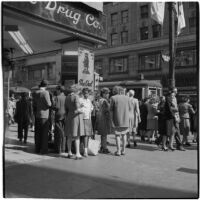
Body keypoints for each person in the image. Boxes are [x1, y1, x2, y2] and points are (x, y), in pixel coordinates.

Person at [110, 86, 131, 156]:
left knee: (117, 135)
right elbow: (130, 108)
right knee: (124, 135)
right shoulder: (127, 98)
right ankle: (123, 150)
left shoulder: (113, 98)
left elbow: (111, 110)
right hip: (126, 119)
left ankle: (118, 151)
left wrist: (111, 120)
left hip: (117, 120)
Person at [65, 84, 84, 160]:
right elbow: (77, 109)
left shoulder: (67, 96)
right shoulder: (76, 96)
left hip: (69, 116)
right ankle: (77, 153)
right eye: (80, 90)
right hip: (76, 117)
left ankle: (69, 153)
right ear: (77, 90)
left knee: (69, 136)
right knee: (77, 136)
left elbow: (66, 108)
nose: (80, 92)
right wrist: (81, 109)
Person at [33, 80, 52, 154]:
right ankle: (44, 149)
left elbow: (34, 104)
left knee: (37, 133)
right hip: (44, 115)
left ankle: (37, 148)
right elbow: (49, 104)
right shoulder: (46, 93)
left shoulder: (35, 93)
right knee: (44, 133)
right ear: (46, 86)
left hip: (37, 114)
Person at [96, 87, 112, 154]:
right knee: (104, 134)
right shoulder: (104, 101)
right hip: (104, 118)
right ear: (104, 94)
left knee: (103, 134)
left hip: (100, 118)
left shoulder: (100, 100)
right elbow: (106, 110)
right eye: (107, 93)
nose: (108, 95)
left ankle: (102, 147)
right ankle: (104, 148)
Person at [79, 88, 94, 157]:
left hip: (88, 119)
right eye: (85, 93)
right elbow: (79, 109)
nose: (86, 94)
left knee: (87, 135)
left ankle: (84, 150)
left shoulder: (89, 101)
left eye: (87, 93)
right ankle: (82, 150)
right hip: (82, 119)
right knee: (83, 135)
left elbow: (91, 108)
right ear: (82, 93)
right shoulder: (80, 100)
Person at [53, 85, 67, 155]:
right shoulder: (66, 97)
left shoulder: (57, 97)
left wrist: (52, 107)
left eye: (57, 90)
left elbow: (57, 107)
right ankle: (63, 148)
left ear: (59, 90)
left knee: (58, 133)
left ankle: (58, 149)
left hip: (58, 115)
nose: (56, 91)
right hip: (64, 116)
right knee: (63, 132)